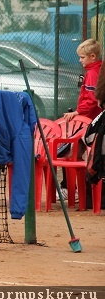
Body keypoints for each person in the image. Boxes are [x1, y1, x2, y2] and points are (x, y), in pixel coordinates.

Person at [60, 38, 102, 201]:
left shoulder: (92, 73)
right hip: (92, 122)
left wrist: (77, 112)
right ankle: (75, 189)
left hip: (89, 123)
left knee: (65, 151)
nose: (79, 60)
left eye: (82, 57)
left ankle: (69, 189)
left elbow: (91, 100)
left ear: (92, 56)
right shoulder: (98, 70)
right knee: (72, 152)